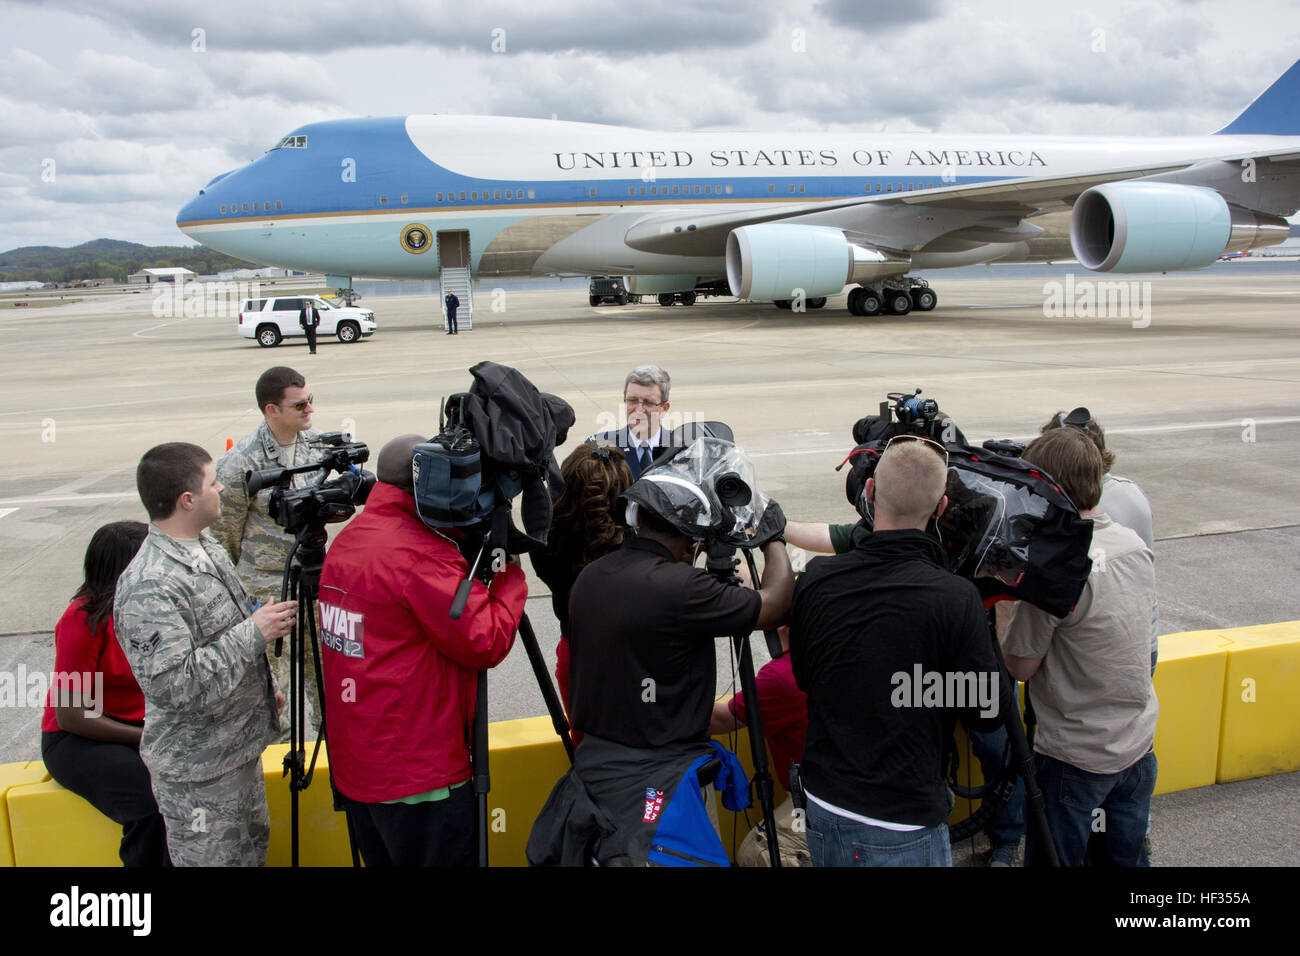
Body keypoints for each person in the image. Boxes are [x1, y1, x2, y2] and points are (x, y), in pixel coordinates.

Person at [790, 437, 1003, 867]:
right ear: (941, 508)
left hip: (822, 804)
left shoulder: (817, 578)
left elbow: (806, 677)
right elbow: (987, 708)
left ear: (868, 493)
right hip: (903, 818)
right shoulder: (955, 597)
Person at [317, 434, 526, 867]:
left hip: (359, 770)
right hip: (418, 778)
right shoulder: (417, 554)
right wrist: (508, 576)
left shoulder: (350, 540)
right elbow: (484, 639)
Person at [115, 442, 297, 866]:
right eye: (213, 482)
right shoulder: (150, 585)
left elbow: (223, 632)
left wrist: (263, 686)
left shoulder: (207, 548)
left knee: (251, 855)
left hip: (236, 751)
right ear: (187, 499)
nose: (222, 488)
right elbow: (175, 684)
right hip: (199, 774)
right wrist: (255, 633)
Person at [1001, 427, 1158, 867]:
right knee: (1123, 858)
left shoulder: (1056, 572)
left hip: (1076, 757)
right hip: (1136, 745)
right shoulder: (1132, 544)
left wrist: (1007, 604)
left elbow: (1019, 666)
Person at [41, 521, 172, 867]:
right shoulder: (80, 620)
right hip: (79, 738)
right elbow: (72, 714)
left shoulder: (148, 610)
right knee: (151, 805)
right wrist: (143, 736)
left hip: (136, 728)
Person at [211, 366, 322, 736]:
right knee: (276, 704)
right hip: (267, 597)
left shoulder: (317, 448)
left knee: (328, 691)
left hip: (314, 587)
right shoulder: (242, 462)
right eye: (300, 404)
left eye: (311, 400)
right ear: (271, 410)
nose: (309, 409)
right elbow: (224, 537)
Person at [529, 442, 634, 724]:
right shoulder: (639, 548)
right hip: (635, 657)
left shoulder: (546, 545)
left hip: (576, 657)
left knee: (587, 748)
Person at [709, 623, 811, 867]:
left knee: (757, 851)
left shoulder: (785, 674)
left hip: (816, 800)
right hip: (861, 795)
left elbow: (720, 720)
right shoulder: (834, 655)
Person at [588, 365, 674, 479]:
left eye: (648, 402)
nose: (639, 410)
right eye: (632, 401)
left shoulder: (680, 450)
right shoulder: (598, 446)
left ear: (664, 408)